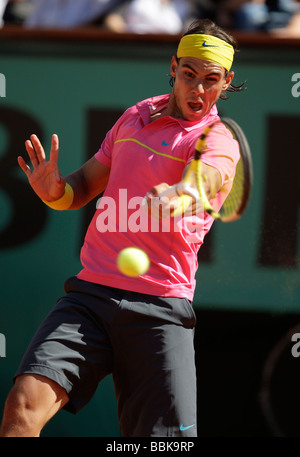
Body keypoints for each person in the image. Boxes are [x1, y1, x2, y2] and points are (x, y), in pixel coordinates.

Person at [0, 18, 242, 437]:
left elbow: (207, 177)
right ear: (173, 67)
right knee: (21, 411)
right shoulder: (135, 117)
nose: (198, 90)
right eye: (189, 75)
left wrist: (181, 195)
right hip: (91, 297)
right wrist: (53, 190)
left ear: (226, 82)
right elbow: (78, 190)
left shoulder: (217, 139)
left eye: (211, 80)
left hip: (160, 310)